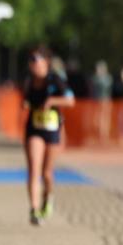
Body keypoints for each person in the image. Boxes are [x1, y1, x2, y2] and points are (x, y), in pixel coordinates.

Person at [22, 46, 75, 226]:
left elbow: (70, 100)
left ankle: (48, 197)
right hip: (34, 128)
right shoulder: (29, 81)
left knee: (47, 173)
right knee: (34, 170)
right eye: (31, 61)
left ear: (46, 62)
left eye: (36, 60)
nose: (33, 64)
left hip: (53, 129)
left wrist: (52, 101)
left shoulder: (56, 79)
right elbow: (26, 99)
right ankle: (34, 210)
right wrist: (26, 104)